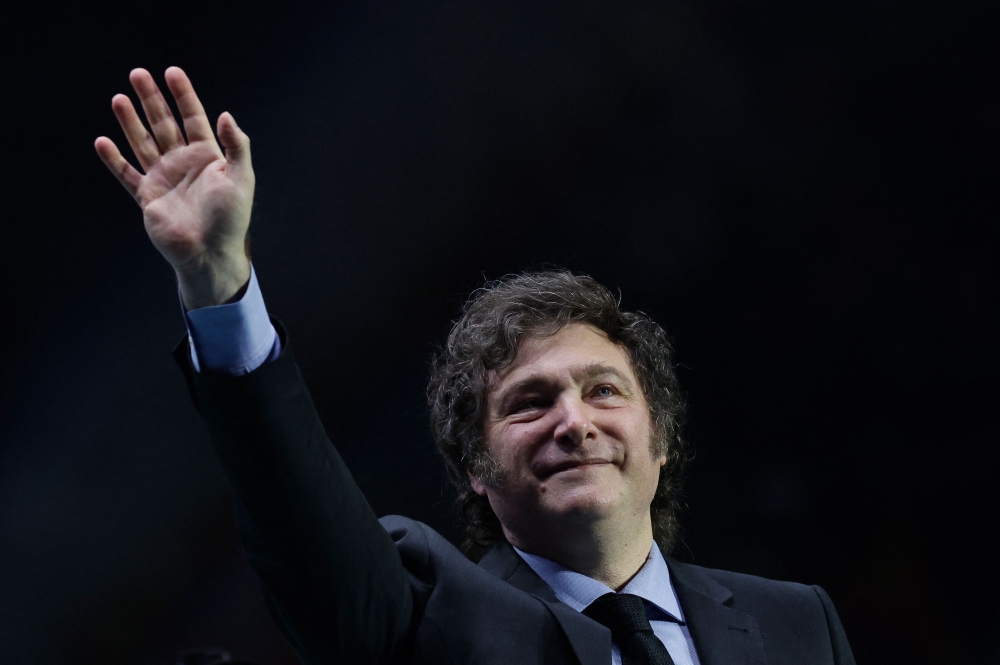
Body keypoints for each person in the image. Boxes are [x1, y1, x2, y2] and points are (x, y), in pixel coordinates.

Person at [96, 67, 856, 665]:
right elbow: (299, 520)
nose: (573, 421)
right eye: (530, 402)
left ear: (659, 440)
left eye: (603, 389)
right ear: (475, 470)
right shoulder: (420, 612)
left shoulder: (798, 623)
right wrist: (218, 282)